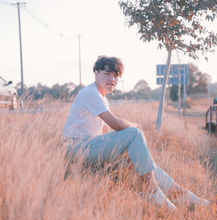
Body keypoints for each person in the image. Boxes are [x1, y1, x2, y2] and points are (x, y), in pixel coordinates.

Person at [62, 56, 209, 210]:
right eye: (107, 74)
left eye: (116, 75)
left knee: (147, 162)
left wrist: (128, 152)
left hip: (89, 148)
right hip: (76, 149)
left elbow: (106, 135)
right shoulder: (90, 93)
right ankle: (151, 190)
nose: (112, 79)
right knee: (133, 133)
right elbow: (117, 125)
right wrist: (136, 125)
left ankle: (181, 194)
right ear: (96, 73)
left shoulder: (101, 98)